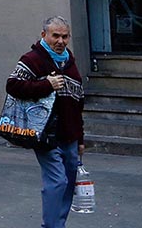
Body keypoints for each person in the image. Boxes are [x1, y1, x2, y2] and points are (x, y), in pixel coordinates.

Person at [6, 16, 85, 228]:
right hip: (44, 135)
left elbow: (78, 104)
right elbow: (12, 85)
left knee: (68, 183)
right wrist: (46, 85)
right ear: (44, 35)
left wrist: (81, 139)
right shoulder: (32, 59)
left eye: (65, 36)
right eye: (55, 36)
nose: (60, 41)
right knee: (57, 182)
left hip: (70, 136)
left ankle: (58, 223)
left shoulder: (70, 62)